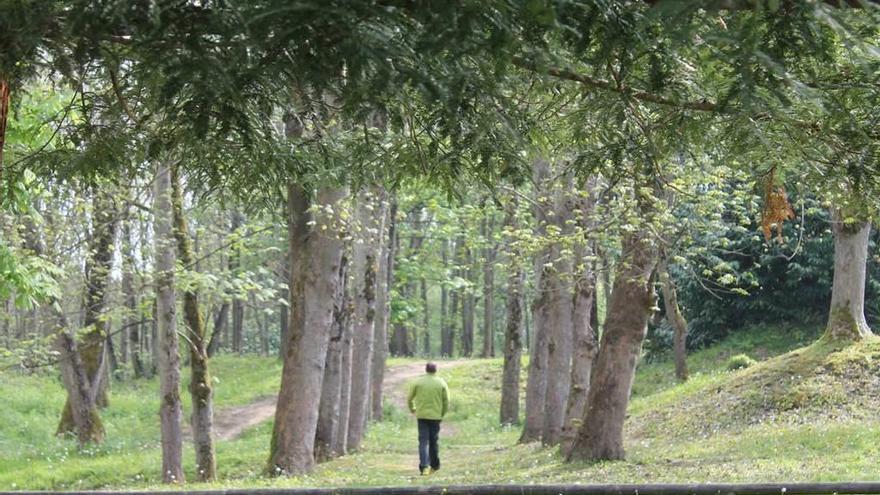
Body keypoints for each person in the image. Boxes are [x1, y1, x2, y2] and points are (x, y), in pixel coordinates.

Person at [406, 361, 450, 476]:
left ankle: (424, 467)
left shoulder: (418, 382)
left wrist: (413, 409)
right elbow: (446, 401)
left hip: (422, 416)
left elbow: (409, 398)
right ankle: (434, 466)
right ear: (436, 370)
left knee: (423, 441)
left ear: (426, 370)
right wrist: (442, 413)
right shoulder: (441, 383)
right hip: (436, 416)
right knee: (433, 441)